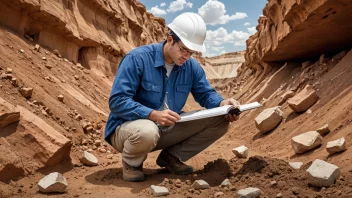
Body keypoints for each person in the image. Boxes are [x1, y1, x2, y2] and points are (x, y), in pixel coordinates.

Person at [104, 12, 240, 182]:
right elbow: (117, 101)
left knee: (220, 119)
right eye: (183, 49)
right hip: (128, 130)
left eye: (191, 52)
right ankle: (132, 163)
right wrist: (153, 114)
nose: (186, 56)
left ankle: (171, 157)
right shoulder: (137, 59)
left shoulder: (191, 66)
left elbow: (205, 94)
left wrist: (222, 103)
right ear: (169, 40)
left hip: (164, 129)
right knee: (148, 130)